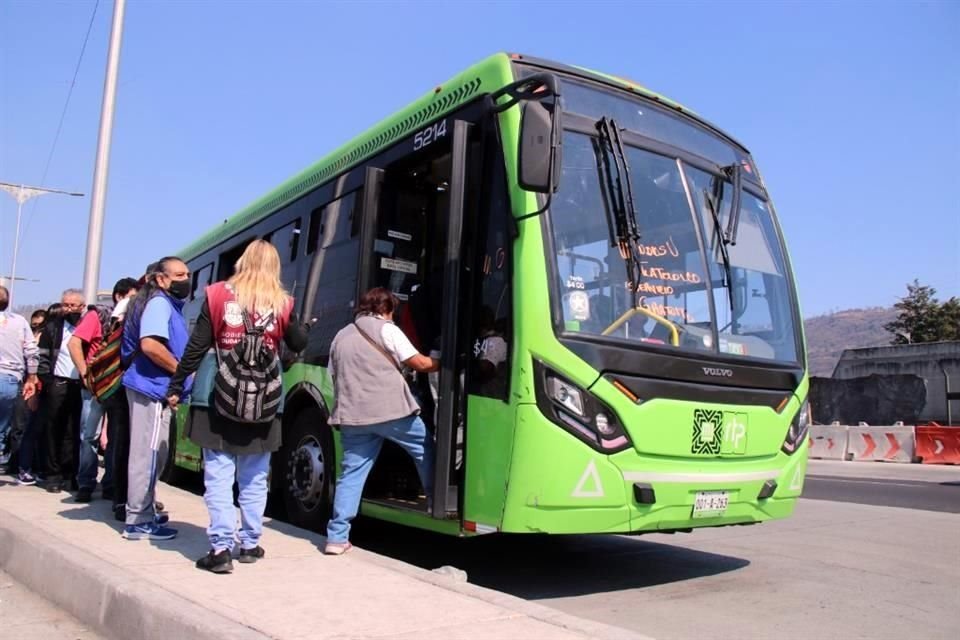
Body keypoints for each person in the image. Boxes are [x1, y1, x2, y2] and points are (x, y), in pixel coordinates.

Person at [167, 240, 308, 573]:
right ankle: (249, 542)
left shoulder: (216, 294)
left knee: (218, 474)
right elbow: (298, 343)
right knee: (255, 475)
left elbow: (198, 345)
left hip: (216, 394)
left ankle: (220, 549)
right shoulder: (283, 303)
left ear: (242, 262)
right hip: (264, 400)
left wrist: (176, 384)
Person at [324, 287, 439, 555]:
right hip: (392, 412)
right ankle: (435, 503)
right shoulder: (387, 329)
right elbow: (419, 363)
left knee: (351, 474)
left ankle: (337, 537)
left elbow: (333, 373)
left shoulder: (341, 336)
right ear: (386, 309)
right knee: (425, 448)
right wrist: (444, 362)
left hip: (353, 416)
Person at [119, 258, 190, 540]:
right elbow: (150, 345)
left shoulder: (161, 303)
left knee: (154, 453)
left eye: (187, 274)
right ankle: (137, 520)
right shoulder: (159, 304)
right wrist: (181, 371)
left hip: (155, 388)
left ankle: (143, 511)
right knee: (147, 455)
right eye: (179, 274)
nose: (186, 279)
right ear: (161, 279)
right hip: (149, 387)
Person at [69, 277, 138, 502]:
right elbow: (74, 343)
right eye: (132, 297)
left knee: (117, 439)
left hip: (120, 387)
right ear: (119, 297)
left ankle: (111, 485)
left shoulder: (133, 320)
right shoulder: (98, 316)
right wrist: (84, 373)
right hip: (96, 386)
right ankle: (86, 483)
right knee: (90, 435)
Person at [37, 289, 86, 493]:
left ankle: (72, 473)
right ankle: (53, 474)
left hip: (80, 385)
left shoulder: (87, 327)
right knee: (53, 429)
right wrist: (47, 382)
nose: (68, 309)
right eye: (65, 304)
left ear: (82, 307)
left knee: (76, 431)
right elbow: (43, 358)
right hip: (57, 384)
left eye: (73, 305)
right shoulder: (52, 329)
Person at [0, 286, 40, 471]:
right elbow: (32, 352)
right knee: (2, 429)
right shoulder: (19, 322)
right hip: (9, 379)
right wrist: (31, 378)